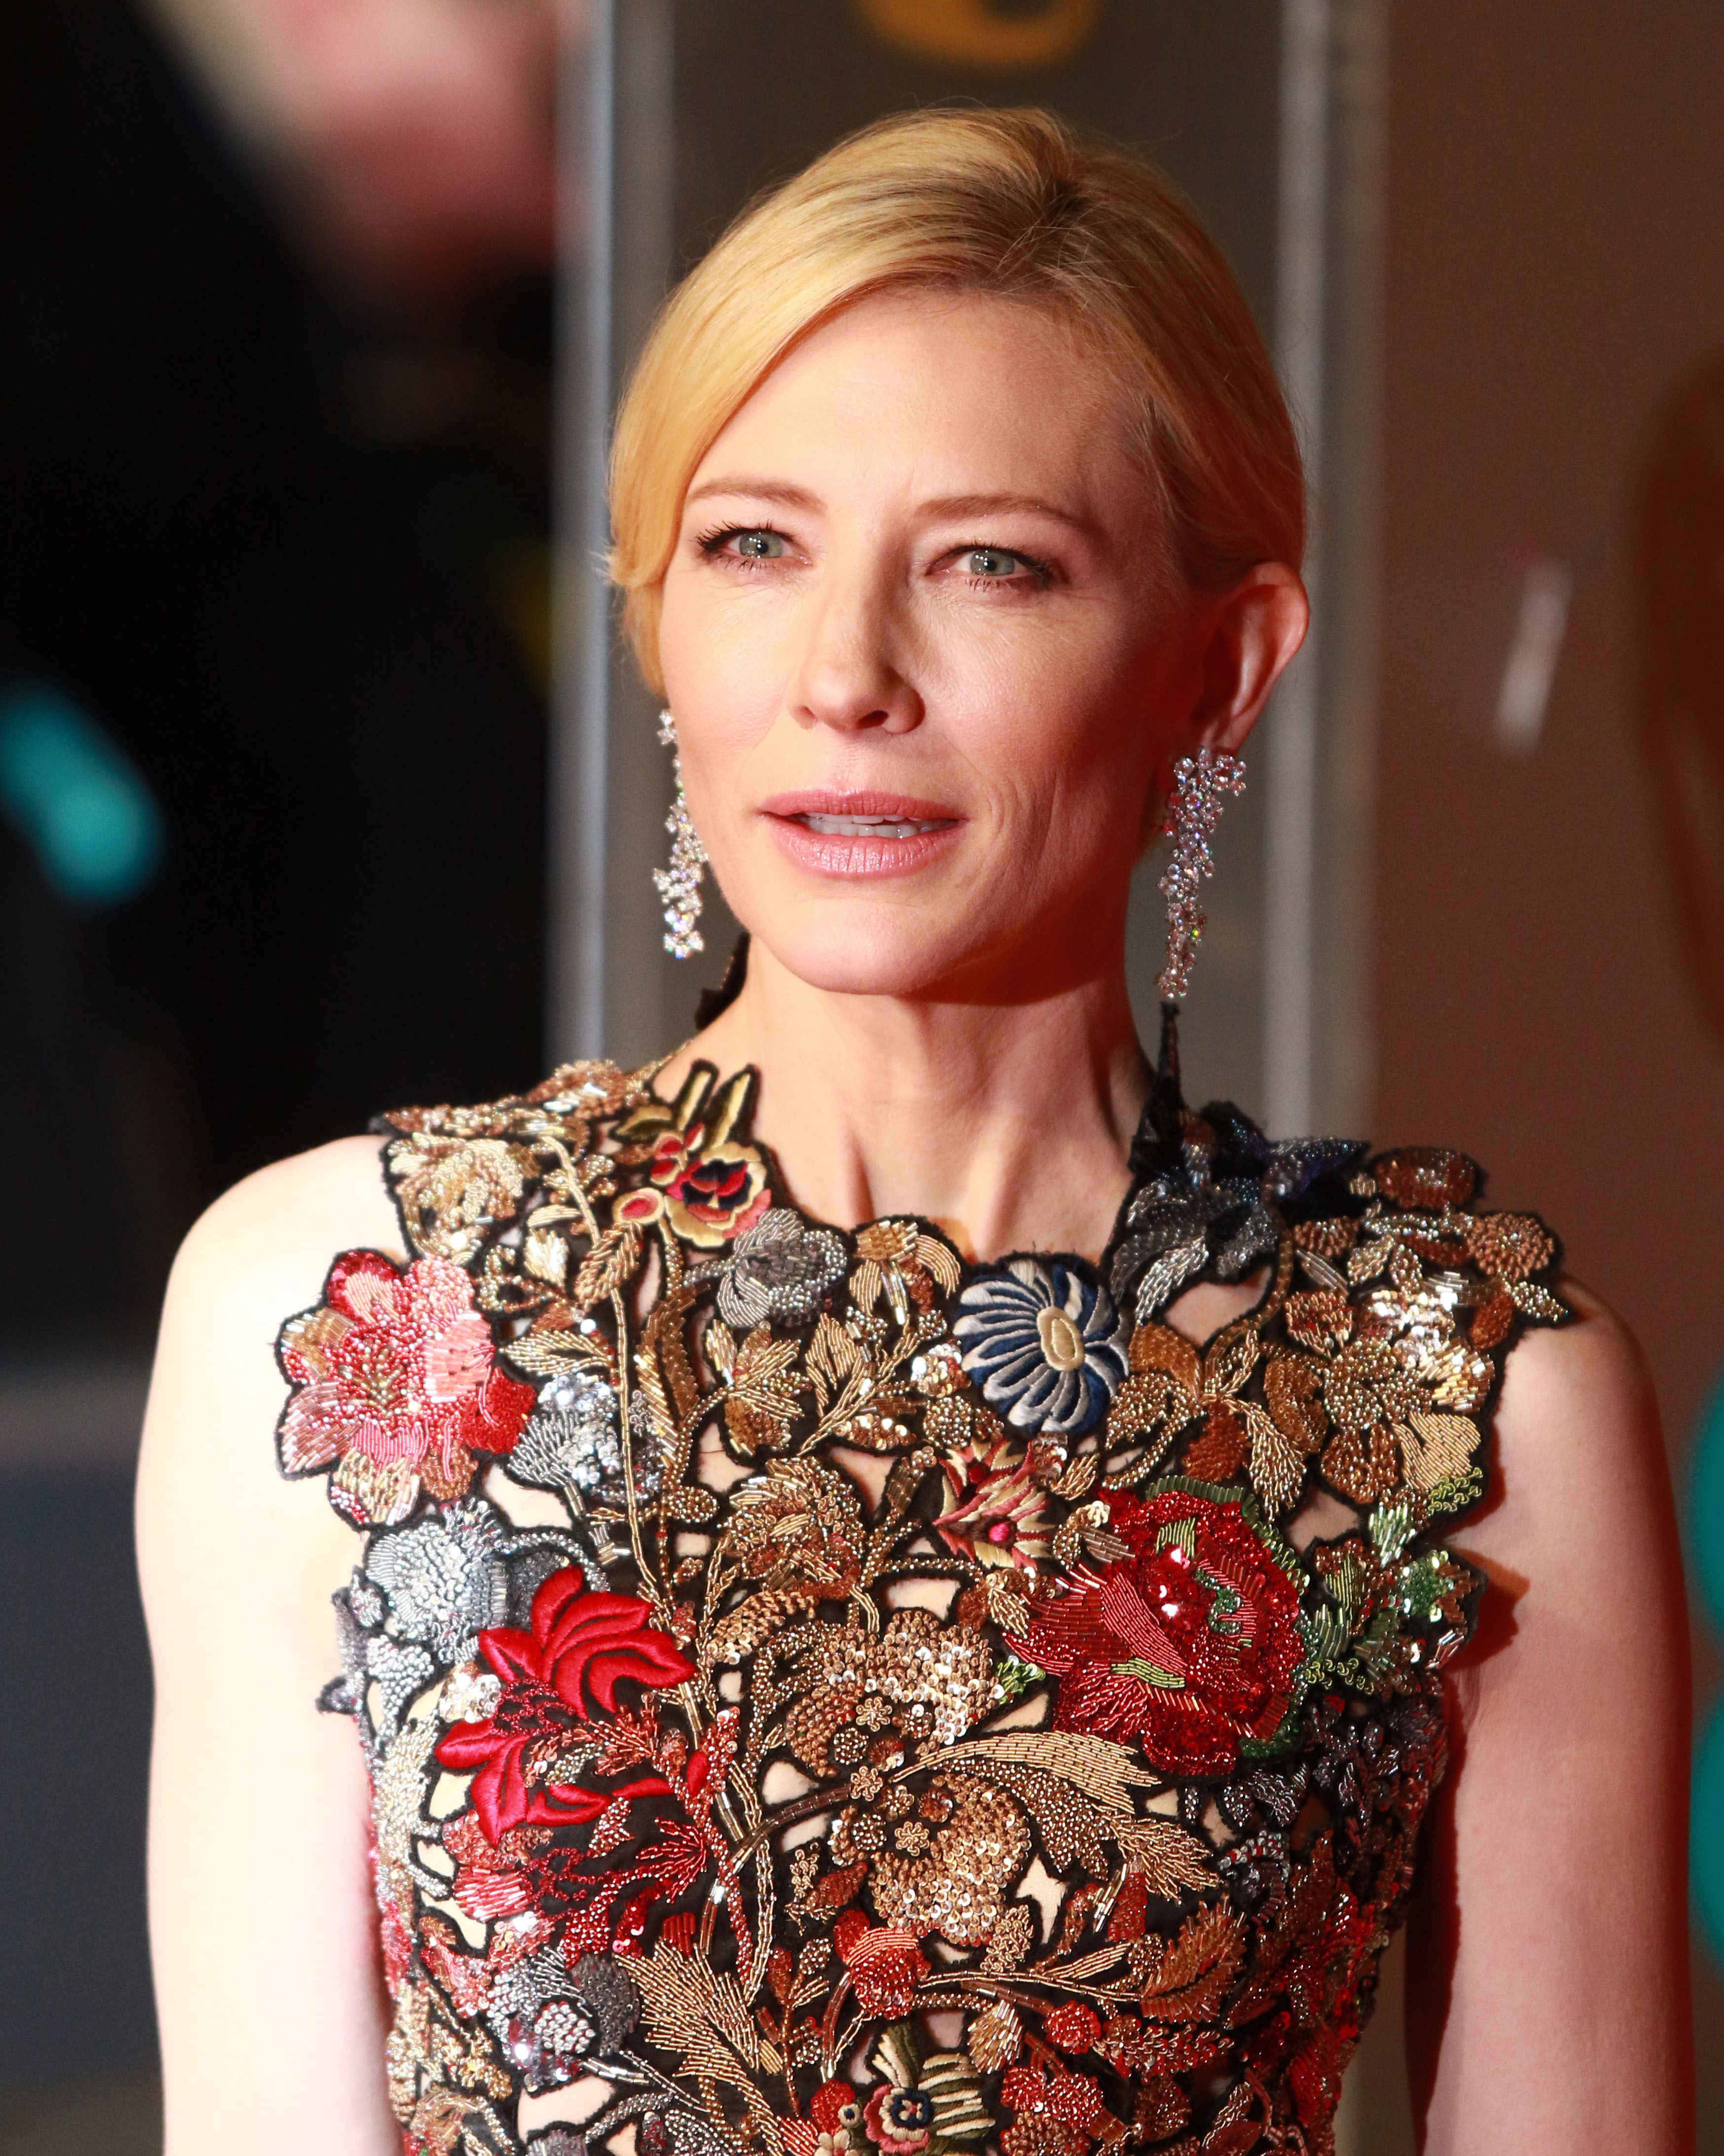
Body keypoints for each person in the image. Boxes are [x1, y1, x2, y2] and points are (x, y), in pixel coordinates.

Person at [138, 108, 1692, 2156]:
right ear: (657, 621)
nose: (845, 673)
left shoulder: (1460, 1395)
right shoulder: (352, 1310)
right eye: (753, 545)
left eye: (990, 564)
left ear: (1218, 668)